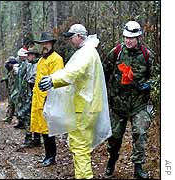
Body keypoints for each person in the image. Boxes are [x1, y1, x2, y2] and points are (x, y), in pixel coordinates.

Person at [38, 23, 112, 179]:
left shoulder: (86, 53)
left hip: (84, 107)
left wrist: (53, 79)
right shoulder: (89, 52)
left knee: (80, 148)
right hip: (88, 106)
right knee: (81, 147)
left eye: (71, 37)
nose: (70, 40)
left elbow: (73, 72)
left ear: (79, 36)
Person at [102, 21, 155, 179]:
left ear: (139, 37)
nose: (128, 41)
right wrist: (104, 93)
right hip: (118, 104)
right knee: (114, 138)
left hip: (139, 104)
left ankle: (138, 168)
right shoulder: (116, 52)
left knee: (140, 133)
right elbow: (104, 71)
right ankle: (112, 161)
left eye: (131, 38)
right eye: (126, 37)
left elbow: (157, 76)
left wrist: (148, 84)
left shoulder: (147, 55)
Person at [30, 32, 64, 167]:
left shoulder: (56, 59)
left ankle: (51, 156)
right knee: (43, 129)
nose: (44, 46)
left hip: (49, 99)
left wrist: (50, 99)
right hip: (39, 99)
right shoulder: (41, 60)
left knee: (49, 130)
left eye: (46, 43)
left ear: (51, 43)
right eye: (42, 44)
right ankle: (47, 155)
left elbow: (57, 79)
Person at [20, 47, 41, 148]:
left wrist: (30, 82)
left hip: (36, 94)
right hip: (29, 94)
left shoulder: (38, 65)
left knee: (32, 116)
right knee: (28, 116)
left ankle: (34, 139)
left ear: (33, 55)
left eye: (29, 55)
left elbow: (35, 78)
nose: (27, 56)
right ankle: (31, 138)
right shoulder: (29, 65)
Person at [12, 47, 29, 129]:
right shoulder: (22, 64)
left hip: (24, 88)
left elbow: (25, 76)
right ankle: (21, 121)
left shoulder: (27, 64)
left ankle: (24, 122)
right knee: (19, 105)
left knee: (24, 106)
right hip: (20, 88)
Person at [1, 56, 19, 122]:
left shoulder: (15, 69)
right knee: (10, 104)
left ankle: (18, 119)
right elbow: (9, 78)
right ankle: (9, 118)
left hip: (15, 91)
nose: (7, 65)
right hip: (11, 90)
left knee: (16, 105)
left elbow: (17, 80)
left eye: (9, 63)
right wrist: (5, 79)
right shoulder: (10, 71)